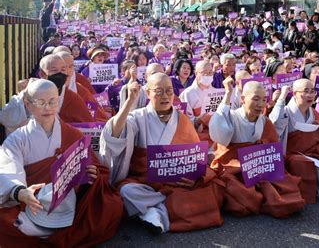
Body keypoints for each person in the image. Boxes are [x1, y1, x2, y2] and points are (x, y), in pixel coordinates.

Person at [0, 79, 123, 246]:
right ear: (28, 105)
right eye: (40, 102)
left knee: (111, 205)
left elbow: (93, 166)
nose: (48, 107)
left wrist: (92, 173)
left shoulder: (72, 133)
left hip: (69, 204)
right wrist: (20, 192)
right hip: (33, 205)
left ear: (58, 102)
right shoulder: (17, 140)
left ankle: (50, 233)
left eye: (52, 101)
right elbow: (8, 168)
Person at [99, 73, 225, 233]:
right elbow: (114, 134)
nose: (165, 96)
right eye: (159, 91)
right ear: (148, 92)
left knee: (213, 189)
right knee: (126, 191)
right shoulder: (138, 117)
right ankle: (163, 208)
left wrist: (194, 178)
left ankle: (150, 210)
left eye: (169, 91)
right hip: (146, 182)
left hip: (176, 181)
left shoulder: (182, 119)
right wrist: (129, 102)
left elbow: (195, 157)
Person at [209, 79, 305, 217]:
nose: (261, 105)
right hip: (234, 166)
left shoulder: (264, 121)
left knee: (286, 185)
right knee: (241, 193)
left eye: (264, 100)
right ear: (242, 99)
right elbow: (220, 135)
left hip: (256, 166)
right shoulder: (232, 117)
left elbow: (272, 146)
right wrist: (228, 93)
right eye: (256, 99)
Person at [0, 55, 96, 135]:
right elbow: (6, 118)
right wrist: (27, 108)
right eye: (54, 70)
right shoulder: (25, 94)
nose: (59, 74)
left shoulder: (71, 97)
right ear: (42, 73)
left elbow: (89, 127)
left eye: (63, 70)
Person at [179, 61, 216, 144]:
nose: (208, 75)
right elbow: (183, 121)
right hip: (196, 139)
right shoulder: (187, 94)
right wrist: (198, 121)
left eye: (210, 72)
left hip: (215, 136)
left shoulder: (215, 92)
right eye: (204, 72)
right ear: (196, 73)